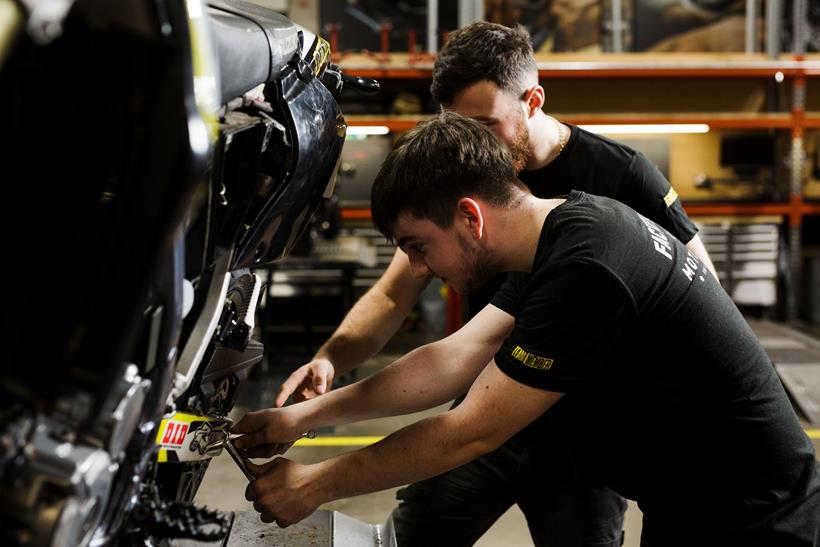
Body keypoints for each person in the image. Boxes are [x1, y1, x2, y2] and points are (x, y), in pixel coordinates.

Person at [233, 113, 820, 546]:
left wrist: (314, 485)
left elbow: (469, 433)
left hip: (755, 519)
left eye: (419, 246)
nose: (416, 269)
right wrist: (303, 416)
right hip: (691, 506)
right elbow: (453, 357)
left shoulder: (590, 264)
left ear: (470, 216)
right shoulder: (563, 236)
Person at [270, 21, 719, 547]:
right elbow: (423, 313)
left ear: (533, 100)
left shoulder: (616, 185)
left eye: (484, 125)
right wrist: (330, 361)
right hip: (483, 406)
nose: (469, 146)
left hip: (582, 442)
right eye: (455, 126)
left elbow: (698, 296)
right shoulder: (466, 178)